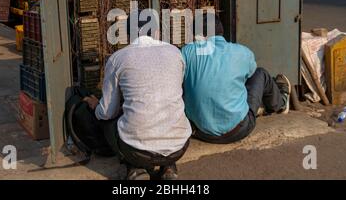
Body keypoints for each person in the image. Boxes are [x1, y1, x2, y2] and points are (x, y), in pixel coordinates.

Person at [84, 14, 192, 180]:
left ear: (128, 35)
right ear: (156, 32)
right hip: (180, 147)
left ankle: (134, 168)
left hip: (136, 151)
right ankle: (168, 167)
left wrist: (95, 106)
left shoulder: (118, 59)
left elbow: (106, 112)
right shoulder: (175, 53)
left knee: (108, 121)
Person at [181, 13, 291, 144]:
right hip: (238, 130)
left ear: (197, 36)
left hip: (200, 131)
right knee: (260, 74)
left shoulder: (186, 52)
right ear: (221, 32)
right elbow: (250, 75)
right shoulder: (243, 52)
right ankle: (281, 103)